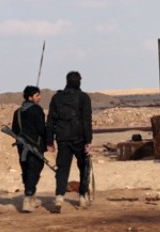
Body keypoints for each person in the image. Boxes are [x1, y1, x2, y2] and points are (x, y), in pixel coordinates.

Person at [45, 70, 92, 212]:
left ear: (66, 81)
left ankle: (59, 198)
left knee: (62, 169)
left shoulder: (56, 98)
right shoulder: (84, 98)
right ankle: (83, 198)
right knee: (84, 167)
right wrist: (88, 141)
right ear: (79, 81)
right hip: (79, 138)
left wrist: (49, 141)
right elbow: (86, 120)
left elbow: (51, 120)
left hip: (62, 138)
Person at [11, 85, 47, 213]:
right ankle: (28, 199)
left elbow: (15, 130)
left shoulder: (18, 112)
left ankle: (32, 197)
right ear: (30, 97)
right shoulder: (37, 110)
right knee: (34, 170)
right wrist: (48, 142)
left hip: (22, 147)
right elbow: (42, 129)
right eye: (37, 95)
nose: (40, 97)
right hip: (35, 147)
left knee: (26, 171)